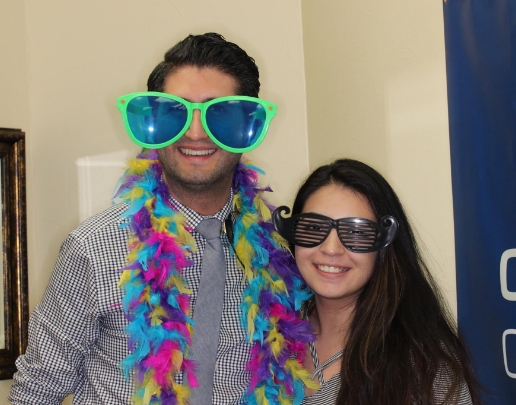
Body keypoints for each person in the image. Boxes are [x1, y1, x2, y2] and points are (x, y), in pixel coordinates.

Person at [9, 33, 314, 405]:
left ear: (246, 127)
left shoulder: (277, 258)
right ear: (155, 120)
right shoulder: (93, 248)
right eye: (177, 111)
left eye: (220, 113)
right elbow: (36, 391)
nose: (196, 132)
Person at [273, 159, 483, 405]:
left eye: (356, 233)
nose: (331, 248)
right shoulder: (269, 332)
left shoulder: (425, 365)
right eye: (313, 228)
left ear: (385, 247)